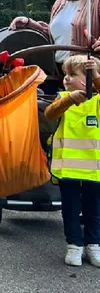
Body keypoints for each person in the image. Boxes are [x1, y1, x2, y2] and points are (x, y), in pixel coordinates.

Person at [44, 54, 100, 267]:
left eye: (72, 75)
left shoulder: (97, 101)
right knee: (70, 208)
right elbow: (50, 114)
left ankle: (94, 244)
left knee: (93, 209)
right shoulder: (62, 98)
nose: (66, 79)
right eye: (65, 74)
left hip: (94, 171)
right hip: (67, 169)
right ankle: (74, 245)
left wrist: (95, 75)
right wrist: (68, 99)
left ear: (86, 78)